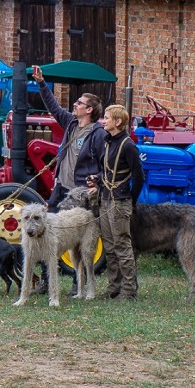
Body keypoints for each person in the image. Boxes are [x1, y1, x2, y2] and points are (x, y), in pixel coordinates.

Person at [32, 64, 106, 294]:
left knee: (78, 240)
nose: (74, 105)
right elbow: (54, 108)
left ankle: (79, 284)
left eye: (79, 103)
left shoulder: (98, 134)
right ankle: (46, 280)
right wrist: (42, 83)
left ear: (90, 110)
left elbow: (106, 164)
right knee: (46, 229)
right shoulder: (72, 123)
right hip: (61, 187)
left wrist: (98, 184)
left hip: (80, 194)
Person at [92, 104, 144, 301]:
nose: (103, 121)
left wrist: (131, 199)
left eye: (106, 117)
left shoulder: (128, 145)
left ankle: (129, 290)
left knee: (122, 246)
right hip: (105, 199)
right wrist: (97, 179)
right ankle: (114, 287)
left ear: (118, 122)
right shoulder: (108, 141)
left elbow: (139, 176)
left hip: (120, 202)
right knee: (110, 247)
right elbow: (106, 170)